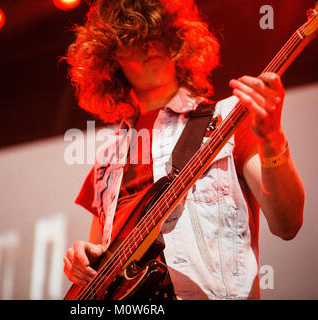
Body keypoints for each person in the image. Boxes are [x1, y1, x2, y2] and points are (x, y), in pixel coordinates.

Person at [63, 0, 304, 299]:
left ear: (177, 40)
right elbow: (103, 277)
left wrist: (273, 138)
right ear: (111, 59)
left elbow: (287, 224)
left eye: (157, 34)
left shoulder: (227, 119)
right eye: (132, 39)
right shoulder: (106, 161)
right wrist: (83, 261)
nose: (149, 45)